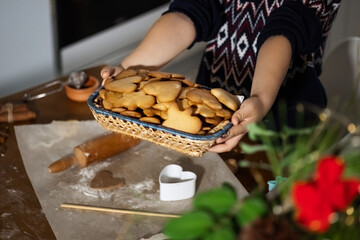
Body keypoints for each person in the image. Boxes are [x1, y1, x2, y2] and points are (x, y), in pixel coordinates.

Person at [100, 0, 342, 153]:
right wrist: (128, 69)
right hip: (215, 102)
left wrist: (260, 99)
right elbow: (192, 12)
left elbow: (286, 31)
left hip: (285, 118)